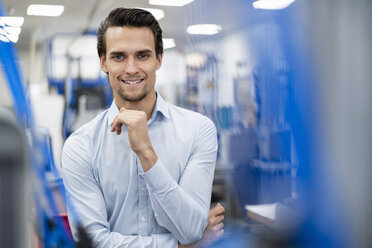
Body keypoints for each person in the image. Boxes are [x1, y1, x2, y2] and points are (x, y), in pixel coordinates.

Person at [62, 7, 224, 247]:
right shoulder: (80, 146)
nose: (131, 68)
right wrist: (177, 246)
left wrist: (146, 152)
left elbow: (190, 229)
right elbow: (93, 242)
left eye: (143, 55)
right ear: (103, 62)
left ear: (158, 59)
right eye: (118, 57)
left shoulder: (198, 130)